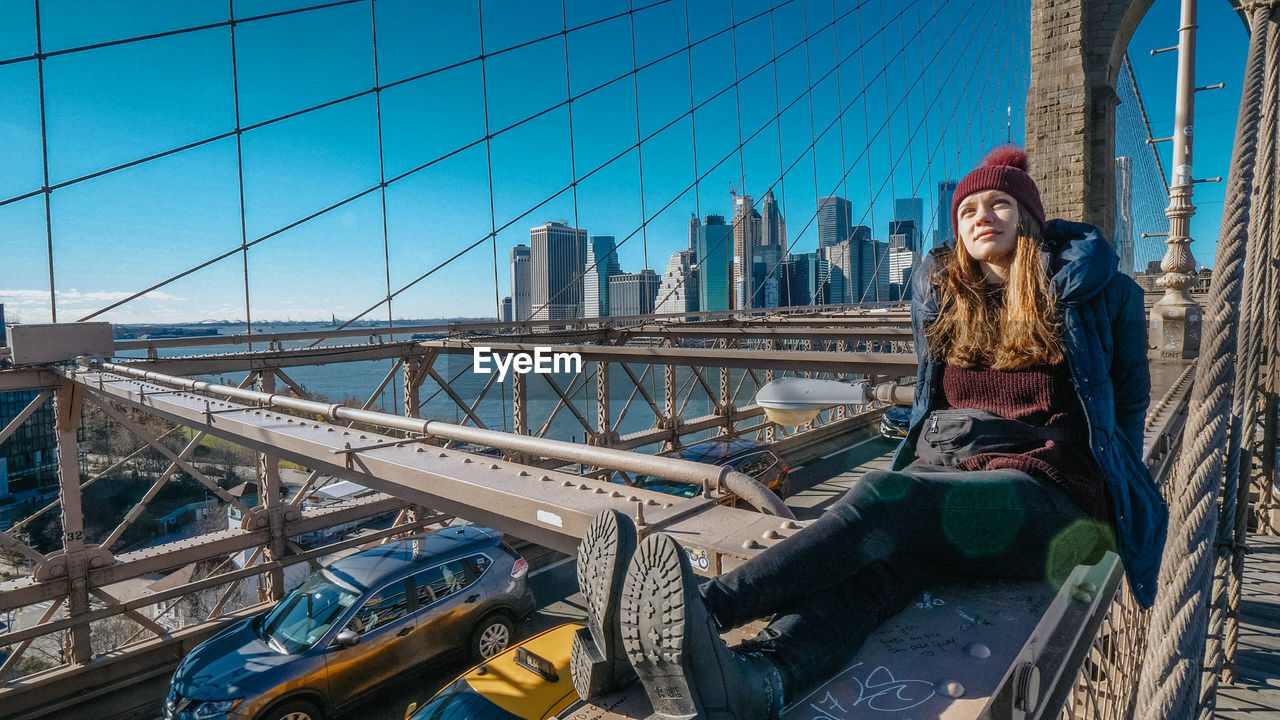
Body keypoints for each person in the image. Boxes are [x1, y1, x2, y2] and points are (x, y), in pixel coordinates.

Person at [569, 147, 1169, 720]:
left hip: (1047, 494)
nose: (982, 216)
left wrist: (1119, 494)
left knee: (885, 497)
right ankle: (755, 683)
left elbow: (1129, 405)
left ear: (1030, 217)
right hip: (953, 482)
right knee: (874, 574)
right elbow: (935, 403)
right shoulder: (943, 299)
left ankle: (700, 614)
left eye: (999, 205)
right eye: (966, 210)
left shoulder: (1102, 295)